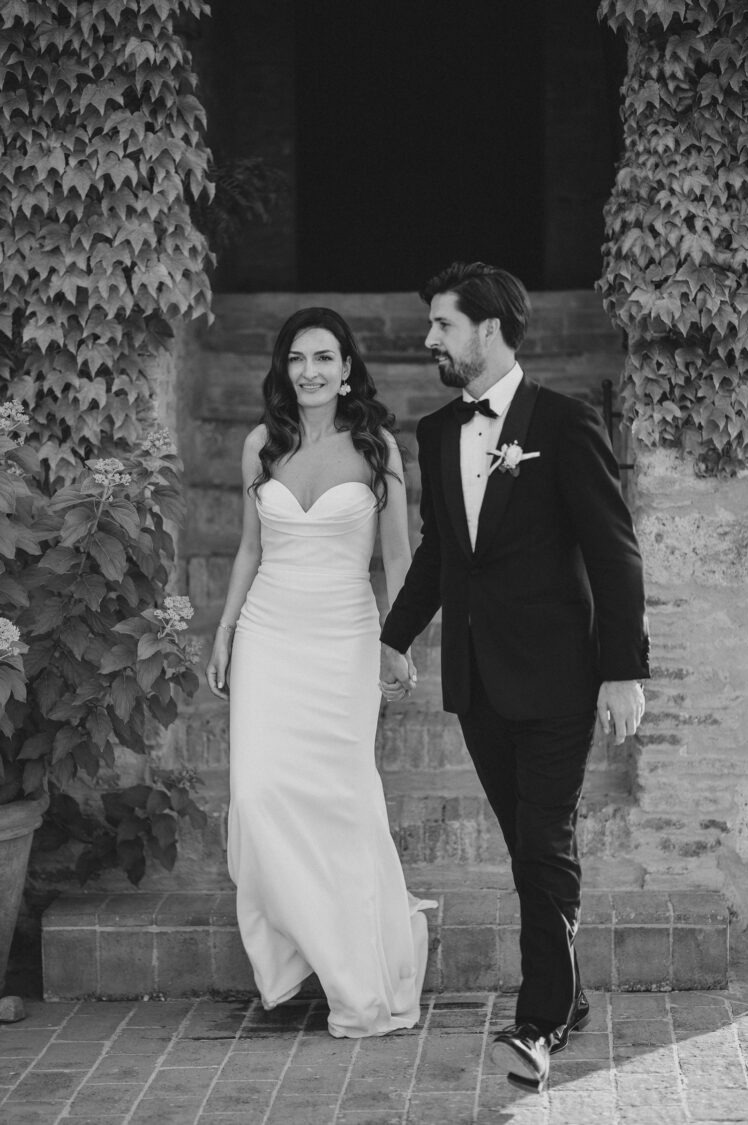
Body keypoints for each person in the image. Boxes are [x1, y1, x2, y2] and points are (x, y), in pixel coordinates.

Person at [380, 262, 649, 1089]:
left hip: (562, 677)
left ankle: (539, 1025)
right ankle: (567, 999)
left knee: (543, 842)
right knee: (528, 847)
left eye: (443, 325)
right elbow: (439, 551)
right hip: (478, 682)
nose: (430, 339)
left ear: (488, 330)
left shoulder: (564, 423)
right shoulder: (433, 432)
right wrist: (396, 637)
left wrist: (622, 671)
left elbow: (613, 550)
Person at [205, 306, 435, 1039]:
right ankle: (306, 943)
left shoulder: (378, 448)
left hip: (344, 636)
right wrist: (225, 627)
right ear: (284, 368)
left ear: (346, 369)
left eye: (324, 358)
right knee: (256, 790)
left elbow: (397, 558)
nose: (310, 371)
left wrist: (399, 643)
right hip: (269, 634)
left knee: (342, 799)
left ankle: (355, 977)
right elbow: (249, 549)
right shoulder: (259, 446)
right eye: (298, 358)